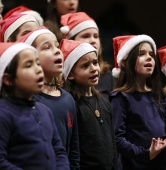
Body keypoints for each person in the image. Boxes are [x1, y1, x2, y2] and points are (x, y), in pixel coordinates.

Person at [17, 26, 80, 170]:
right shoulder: (29, 100)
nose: (57, 50)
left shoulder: (68, 99)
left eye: (57, 46)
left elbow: (73, 149)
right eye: (47, 47)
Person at [0, 42, 69, 170]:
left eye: (38, 63)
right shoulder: (3, 114)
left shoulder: (44, 111)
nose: (38, 69)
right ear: (8, 79)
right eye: (28, 65)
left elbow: (59, 151)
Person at [110, 34, 166, 170]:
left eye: (151, 54)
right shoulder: (121, 98)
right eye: (141, 54)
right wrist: (146, 153)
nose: (149, 57)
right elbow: (117, 139)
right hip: (135, 164)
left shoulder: (160, 96)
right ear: (125, 63)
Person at [60, 39, 118, 170]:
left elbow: (113, 144)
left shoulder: (104, 102)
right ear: (70, 75)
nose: (93, 69)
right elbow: (72, 147)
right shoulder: (72, 104)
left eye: (95, 62)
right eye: (85, 66)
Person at [60, 12, 115, 100]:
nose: (93, 40)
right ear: (71, 41)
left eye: (96, 36)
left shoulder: (107, 75)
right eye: (86, 36)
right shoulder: (65, 79)